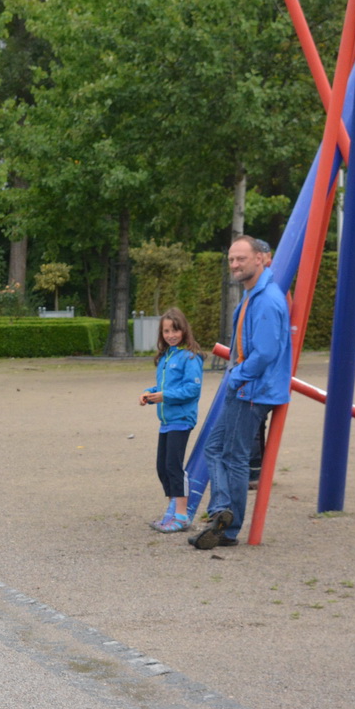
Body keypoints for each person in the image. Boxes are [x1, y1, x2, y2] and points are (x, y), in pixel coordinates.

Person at [190, 236, 290, 550]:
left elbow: (265, 353)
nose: (234, 264)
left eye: (241, 258)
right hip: (248, 387)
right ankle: (222, 511)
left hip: (252, 390)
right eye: (231, 259)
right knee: (215, 448)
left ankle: (228, 527)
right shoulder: (254, 294)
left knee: (233, 456)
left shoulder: (266, 299)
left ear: (261, 258)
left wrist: (236, 376)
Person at [140, 307, 204, 533]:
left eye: (175, 330)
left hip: (182, 419)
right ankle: (172, 512)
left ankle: (182, 516)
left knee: (174, 467)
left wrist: (164, 396)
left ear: (184, 330)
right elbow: (164, 386)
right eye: (166, 331)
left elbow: (192, 389)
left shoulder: (190, 357)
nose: (171, 335)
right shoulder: (166, 357)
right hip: (166, 421)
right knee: (163, 468)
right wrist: (150, 393)